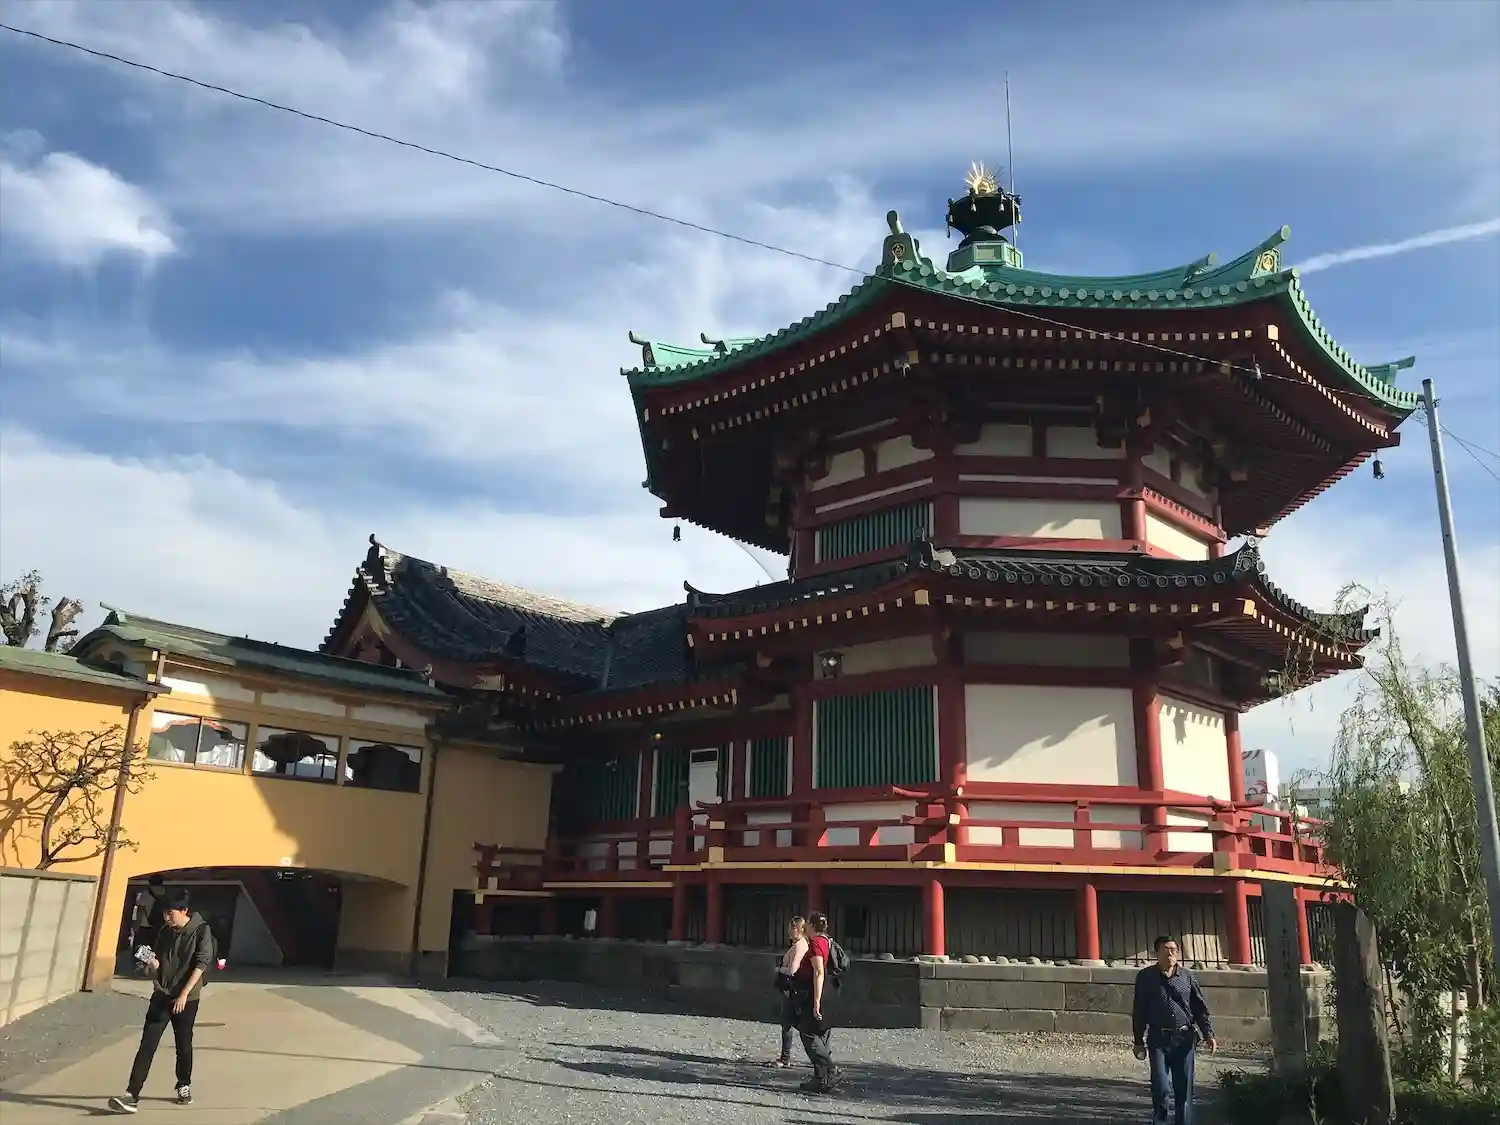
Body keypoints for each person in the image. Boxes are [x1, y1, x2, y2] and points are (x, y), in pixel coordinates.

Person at [109, 891, 215, 1114]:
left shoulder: (201, 931)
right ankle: (131, 1095)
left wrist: (184, 994)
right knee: (147, 1045)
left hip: (186, 999)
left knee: (183, 1044)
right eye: (164, 914)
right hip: (162, 995)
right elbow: (159, 958)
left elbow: (201, 964)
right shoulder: (165, 931)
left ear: (184, 911)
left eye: (170, 913)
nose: (167, 918)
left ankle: (183, 1084)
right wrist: (152, 963)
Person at [1131, 935, 1216, 1125]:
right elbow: (1139, 1010)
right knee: (1160, 1087)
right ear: (1156, 953)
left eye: (1174, 950)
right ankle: (1160, 1121)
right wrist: (1138, 1041)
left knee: (1183, 1089)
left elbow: (1199, 1008)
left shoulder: (1187, 977)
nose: (1170, 954)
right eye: (1166, 949)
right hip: (1158, 1038)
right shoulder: (1146, 977)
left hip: (1184, 1038)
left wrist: (1208, 1034)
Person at [792, 912, 841, 1094]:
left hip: (815, 991)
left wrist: (816, 1001)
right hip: (829, 991)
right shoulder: (828, 941)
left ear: (812, 926)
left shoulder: (816, 943)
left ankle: (830, 1069)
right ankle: (821, 1079)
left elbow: (818, 971)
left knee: (808, 1033)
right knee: (822, 1034)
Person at [764, 916, 809, 1068]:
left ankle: (786, 1058)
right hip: (794, 989)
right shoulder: (799, 944)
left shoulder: (799, 945)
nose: (790, 931)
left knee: (791, 1022)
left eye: (793, 928)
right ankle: (787, 1057)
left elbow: (792, 970)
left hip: (794, 989)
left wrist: (779, 969)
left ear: (800, 929)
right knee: (791, 1022)